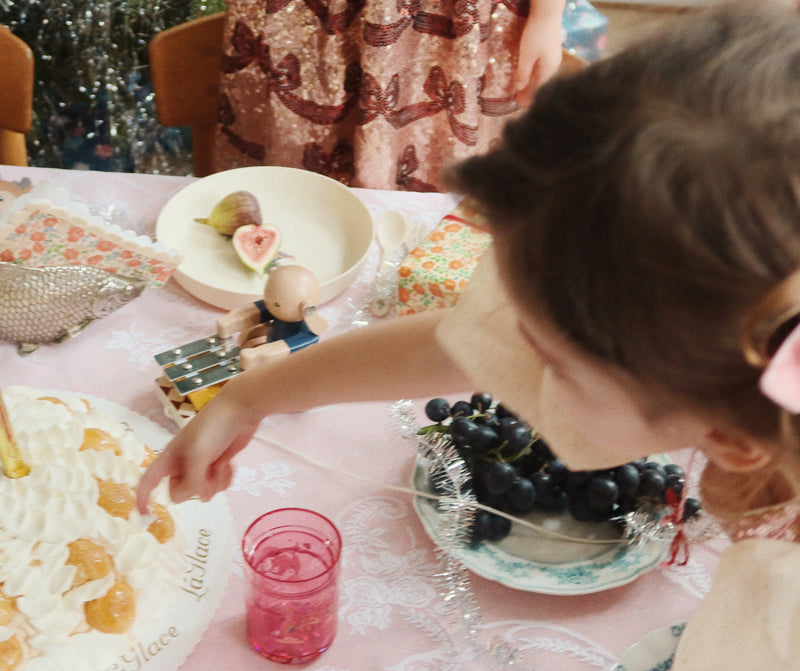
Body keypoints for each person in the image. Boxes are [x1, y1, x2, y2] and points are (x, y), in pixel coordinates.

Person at [138, 0, 800, 539]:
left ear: (732, 440)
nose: (506, 350)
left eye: (553, 363)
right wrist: (248, 397)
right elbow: (455, 345)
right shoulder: (707, 367)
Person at [211, 0, 567, 190]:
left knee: (437, 218)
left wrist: (548, 14)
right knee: (292, 199)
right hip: (306, 19)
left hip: (454, 28)